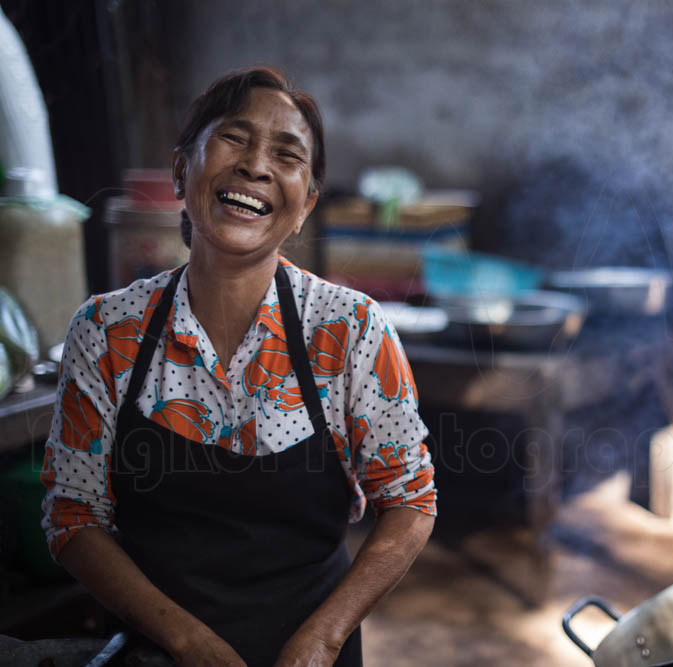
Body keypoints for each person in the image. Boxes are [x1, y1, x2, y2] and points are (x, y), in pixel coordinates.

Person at [40, 67, 436, 667]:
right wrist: (186, 641)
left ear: (305, 205)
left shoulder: (350, 329)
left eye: (286, 154)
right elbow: (72, 515)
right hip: (156, 653)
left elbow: (410, 502)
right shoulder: (105, 332)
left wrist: (323, 638)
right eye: (234, 138)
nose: (256, 166)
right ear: (181, 169)